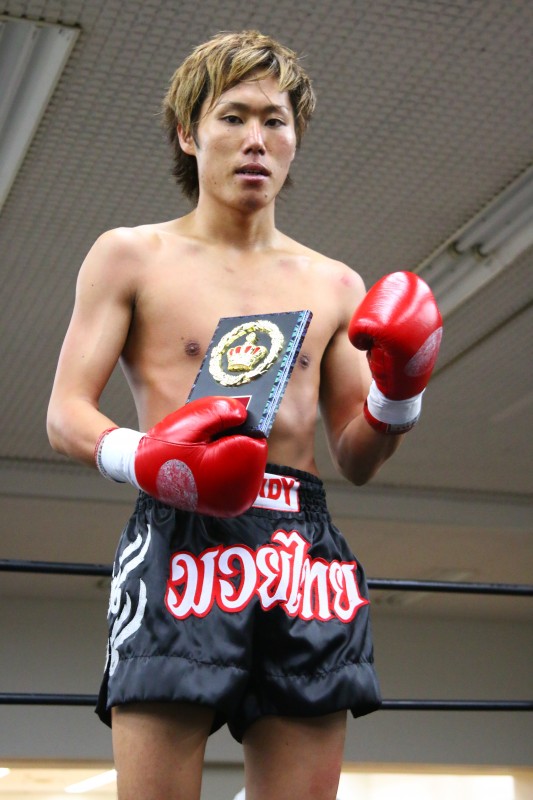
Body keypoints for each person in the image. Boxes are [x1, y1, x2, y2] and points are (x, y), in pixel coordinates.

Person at [47, 29, 442, 800]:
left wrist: (400, 391)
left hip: (301, 545)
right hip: (182, 536)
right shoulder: (131, 255)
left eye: (274, 120)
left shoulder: (334, 282)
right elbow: (65, 414)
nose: (255, 139)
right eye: (232, 117)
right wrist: (151, 458)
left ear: (295, 139)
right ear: (188, 134)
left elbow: (356, 456)